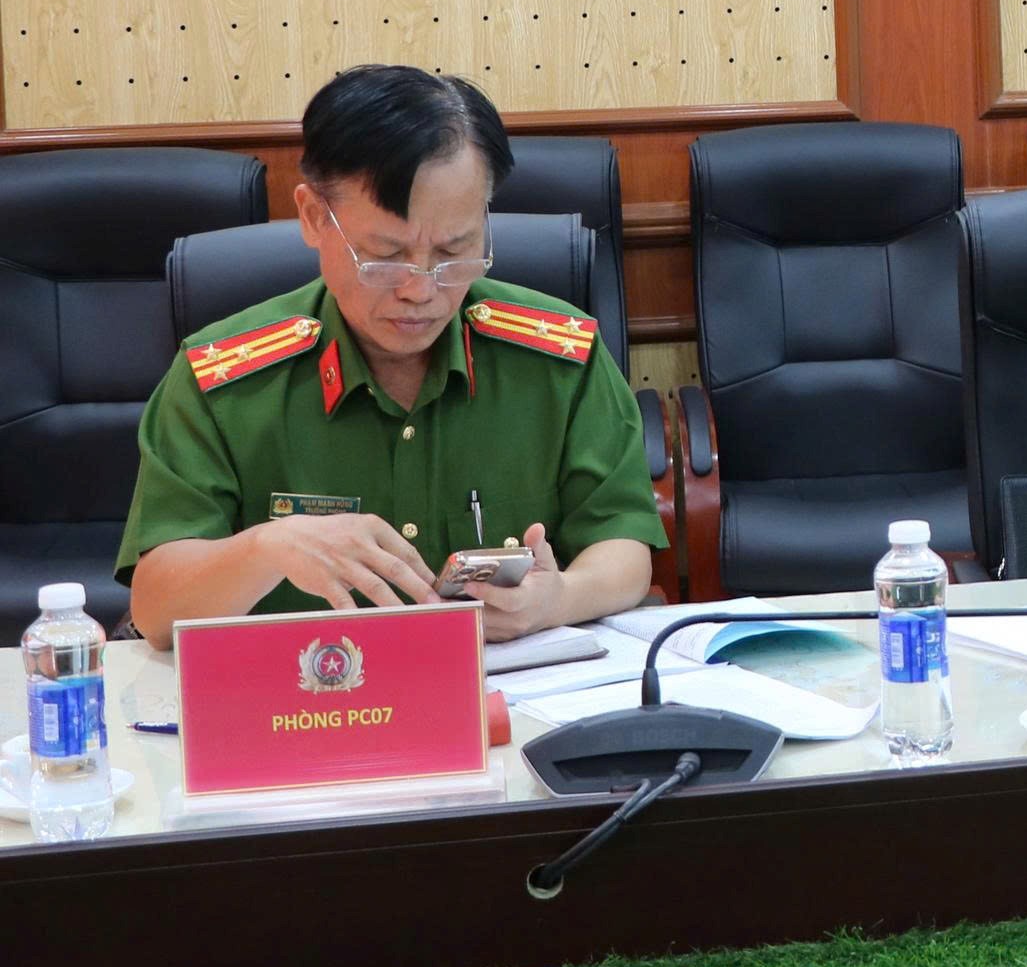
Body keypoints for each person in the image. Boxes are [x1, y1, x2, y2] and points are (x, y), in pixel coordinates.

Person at [118, 67, 665, 647]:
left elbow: (623, 547)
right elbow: (155, 610)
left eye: (454, 250)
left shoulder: (559, 356)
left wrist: (558, 598)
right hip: (306, 691)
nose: (420, 290)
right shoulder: (223, 379)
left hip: (502, 689)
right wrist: (265, 548)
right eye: (385, 256)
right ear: (313, 217)